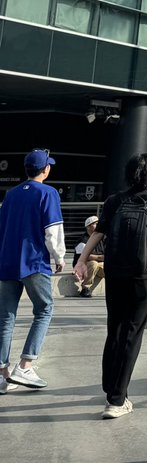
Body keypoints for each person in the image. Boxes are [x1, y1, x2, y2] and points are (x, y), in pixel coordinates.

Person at [75, 153, 147, 419]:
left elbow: (99, 232)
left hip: (116, 275)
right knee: (132, 334)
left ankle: (110, 386)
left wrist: (82, 259)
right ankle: (116, 399)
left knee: (115, 329)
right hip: (143, 277)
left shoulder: (114, 201)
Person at [0, 148, 65, 392]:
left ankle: (2, 373)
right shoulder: (48, 193)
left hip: (7, 261)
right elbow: (53, 229)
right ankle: (25, 366)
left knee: (6, 317)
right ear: (45, 169)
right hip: (34, 261)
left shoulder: (11, 194)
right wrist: (59, 257)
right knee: (44, 309)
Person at [74, 214, 104, 297]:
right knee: (93, 263)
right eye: (95, 223)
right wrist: (100, 257)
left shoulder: (102, 239)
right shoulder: (82, 241)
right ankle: (85, 288)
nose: (98, 225)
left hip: (99, 265)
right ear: (88, 227)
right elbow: (85, 257)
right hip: (83, 268)